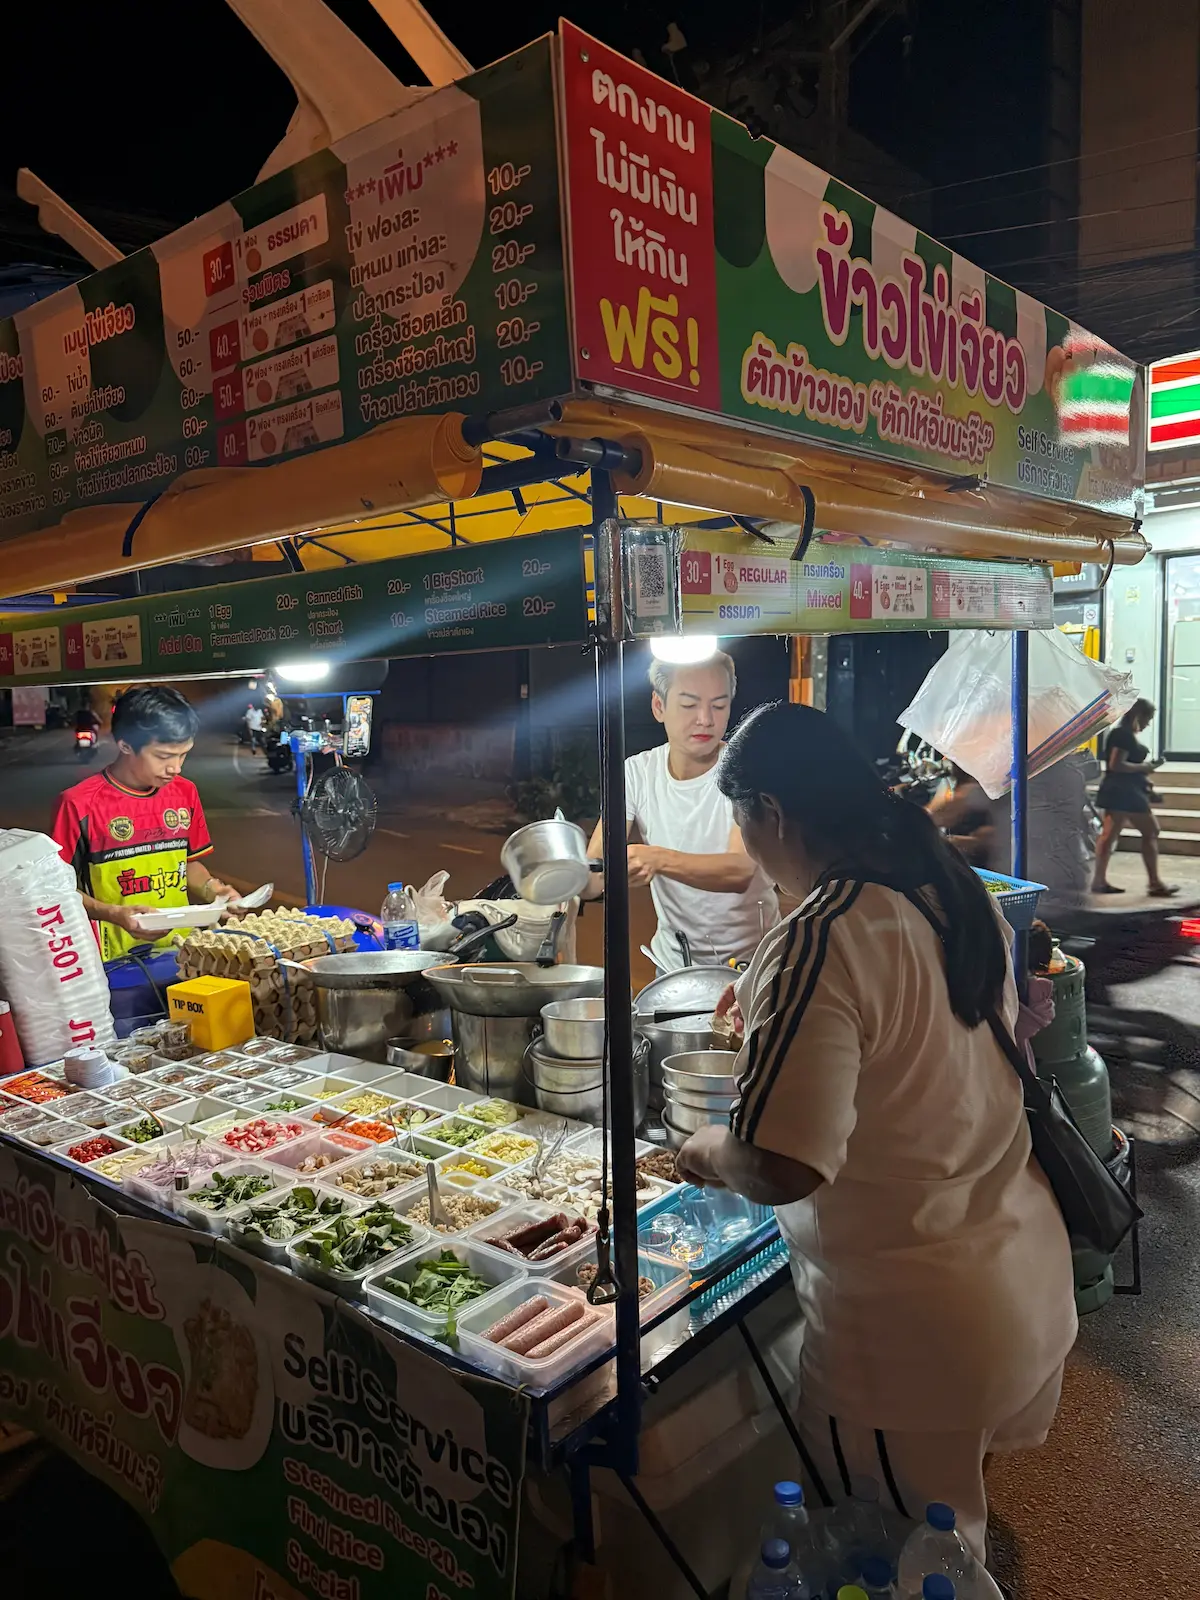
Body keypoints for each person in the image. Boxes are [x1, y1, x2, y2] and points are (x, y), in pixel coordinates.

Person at [676, 703, 1076, 1570]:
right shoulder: (942, 886)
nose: (748, 848)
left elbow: (783, 1165)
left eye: (743, 824)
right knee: (947, 1543)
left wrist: (701, 1149)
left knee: (904, 1567)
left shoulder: (824, 933)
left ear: (772, 813)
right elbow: (920, 1051)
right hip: (1016, 1278)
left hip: (910, 1340)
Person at [581, 652, 779, 972]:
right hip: (674, 963)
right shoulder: (637, 773)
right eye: (689, 705)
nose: (705, 719)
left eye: (719, 705)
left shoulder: (747, 770)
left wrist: (656, 858)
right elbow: (595, 871)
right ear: (659, 706)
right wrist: (569, 878)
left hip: (752, 964)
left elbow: (739, 871)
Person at [51, 685, 239, 960]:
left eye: (183, 754)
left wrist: (214, 890)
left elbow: (187, 863)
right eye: (163, 756)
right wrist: (114, 914)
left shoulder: (185, 792)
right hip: (112, 961)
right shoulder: (77, 805)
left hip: (183, 953)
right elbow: (56, 890)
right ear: (125, 744)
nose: (176, 768)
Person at [1091, 697, 1176, 896]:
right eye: (1148, 718)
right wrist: (1145, 767)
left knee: (1110, 835)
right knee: (1149, 830)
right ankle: (1154, 883)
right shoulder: (1122, 735)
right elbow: (1116, 765)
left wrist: (1145, 782)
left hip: (1123, 791)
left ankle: (1099, 880)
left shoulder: (1123, 734)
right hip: (1124, 793)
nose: (1148, 724)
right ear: (1138, 715)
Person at [925, 762, 1000, 869]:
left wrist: (970, 842)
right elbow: (937, 814)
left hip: (987, 865)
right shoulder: (962, 790)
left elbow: (940, 816)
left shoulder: (973, 792)